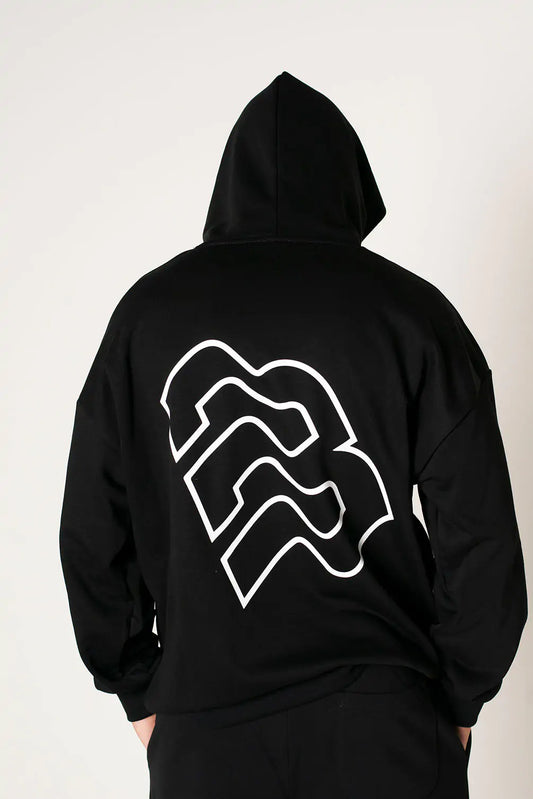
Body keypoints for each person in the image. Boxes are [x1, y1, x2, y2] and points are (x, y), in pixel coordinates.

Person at [59, 71, 528, 799]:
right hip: (387, 727)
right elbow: (480, 536)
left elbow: (94, 533)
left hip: (206, 732)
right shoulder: (413, 314)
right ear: (350, 187)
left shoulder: (145, 319)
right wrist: (459, 698)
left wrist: (139, 689)